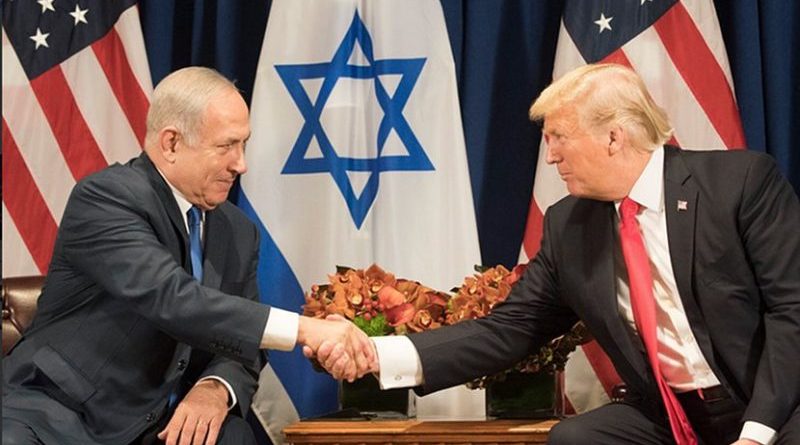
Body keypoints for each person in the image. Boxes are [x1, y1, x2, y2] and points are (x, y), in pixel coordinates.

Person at [311, 64, 800, 444]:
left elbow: (792, 312)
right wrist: (378, 353)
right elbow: (510, 329)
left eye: (559, 137)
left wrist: (756, 431)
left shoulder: (739, 185)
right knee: (578, 437)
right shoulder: (570, 224)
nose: (550, 156)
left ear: (614, 136)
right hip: (671, 416)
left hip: (769, 403)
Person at [2, 67, 372, 445]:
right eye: (226, 146)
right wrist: (306, 328)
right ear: (171, 144)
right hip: (58, 416)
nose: (240, 164)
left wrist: (214, 388)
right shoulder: (106, 199)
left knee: (232, 435)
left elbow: (242, 343)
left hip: (157, 424)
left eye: (243, 144)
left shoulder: (237, 230)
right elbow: (174, 300)